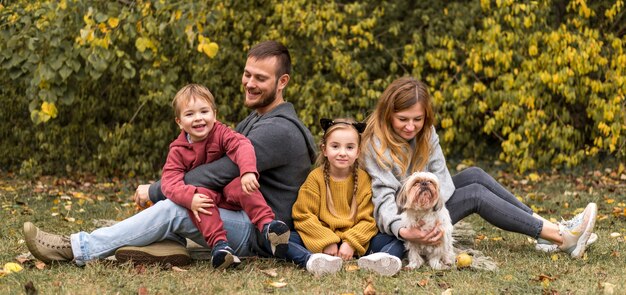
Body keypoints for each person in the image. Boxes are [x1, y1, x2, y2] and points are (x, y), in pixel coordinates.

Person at [22, 40, 317, 267]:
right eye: (247, 74)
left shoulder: (278, 130)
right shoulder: (256, 119)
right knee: (180, 204)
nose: (250, 84)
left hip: (259, 232)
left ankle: (76, 248)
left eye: (260, 78)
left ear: (282, 82)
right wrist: (170, 187)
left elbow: (215, 173)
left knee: (173, 208)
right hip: (236, 213)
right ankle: (166, 244)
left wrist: (156, 189)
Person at [361, 76, 598, 260]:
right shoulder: (375, 143)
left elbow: (443, 179)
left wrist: (431, 206)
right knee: (475, 194)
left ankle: (549, 232)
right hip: (400, 217)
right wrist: (405, 230)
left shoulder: (426, 133)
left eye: (418, 119)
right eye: (403, 119)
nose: (411, 126)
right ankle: (561, 237)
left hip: (426, 206)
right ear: (387, 113)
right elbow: (382, 199)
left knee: (474, 174)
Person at [158, 83, 290, 269]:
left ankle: (269, 226)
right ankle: (221, 246)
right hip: (207, 196)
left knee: (242, 186)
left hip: (230, 191)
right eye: (190, 114)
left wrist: (247, 171)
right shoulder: (178, 150)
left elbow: (241, 145)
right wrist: (189, 198)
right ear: (179, 121)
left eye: (204, 111)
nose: (198, 119)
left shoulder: (221, 132)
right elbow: (169, 182)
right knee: (202, 200)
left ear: (214, 114)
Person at [287, 118, 404, 276]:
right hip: (322, 243)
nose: (342, 153)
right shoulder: (315, 178)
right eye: (335, 146)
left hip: (357, 242)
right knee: (282, 239)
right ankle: (313, 260)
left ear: (357, 151)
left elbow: (368, 219)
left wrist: (350, 243)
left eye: (349, 147)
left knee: (399, 237)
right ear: (324, 149)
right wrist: (327, 241)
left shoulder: (364, 179)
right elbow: (303, 215)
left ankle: (382, 259)